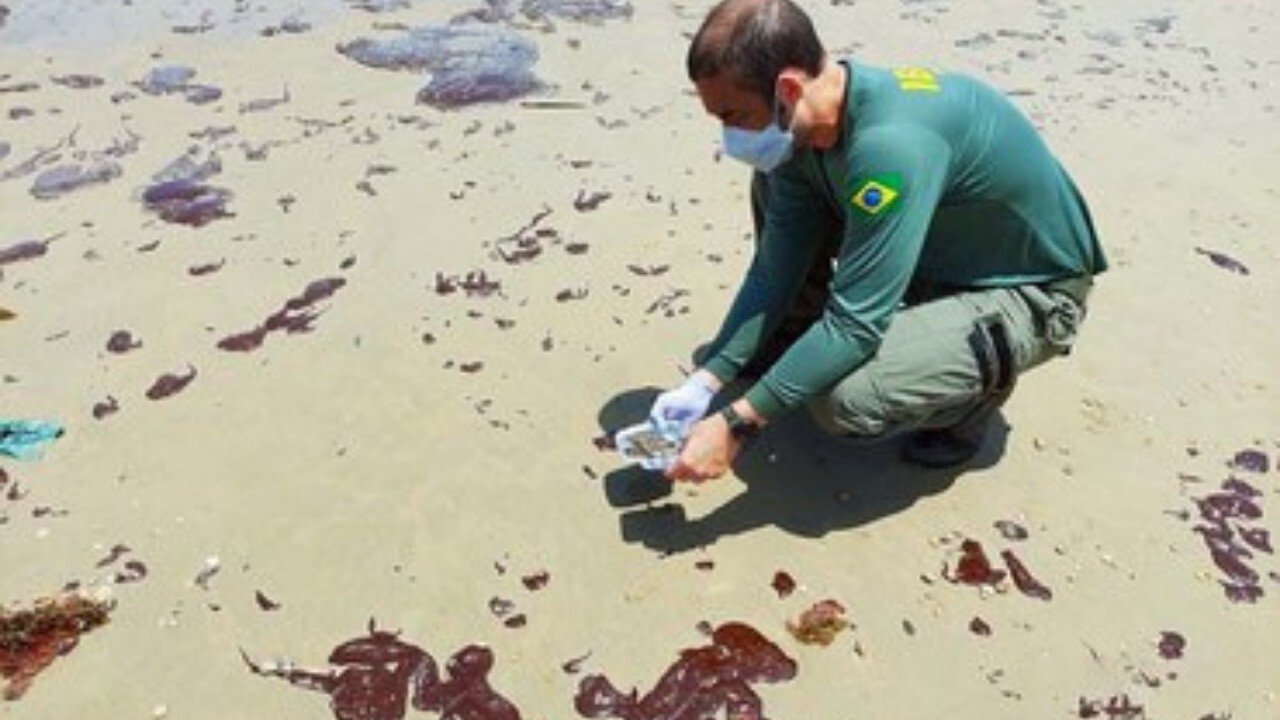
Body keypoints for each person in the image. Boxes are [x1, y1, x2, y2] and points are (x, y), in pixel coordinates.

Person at [650, 0, 1107, 482]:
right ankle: (792, 338)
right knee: (774, 181)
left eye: (734, 115)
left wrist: (737, 424)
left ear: (787, 89)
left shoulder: (892, 146)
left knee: (844, 400)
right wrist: (707, 381)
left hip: (1028, 290)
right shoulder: (808, 128)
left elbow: (856, 325)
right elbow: (774, 269)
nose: (730, 137)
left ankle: (972, 399)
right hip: (932, 252)